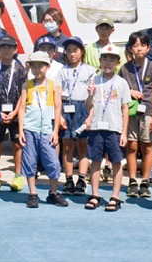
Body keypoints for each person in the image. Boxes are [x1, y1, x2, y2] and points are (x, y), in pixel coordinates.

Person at [82, 44, 130, 211]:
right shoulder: (94, 80)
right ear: (100, 61)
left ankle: (115, 197)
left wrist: (124, 132)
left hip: (114, 129)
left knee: (117, 162)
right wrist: (89, 94)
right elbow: (88, 106)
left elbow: (125, 109)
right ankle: (95, 194)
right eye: (105, 59)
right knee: (95, 162)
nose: (108, 63)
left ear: (117, 63)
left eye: (112, 60)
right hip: (96, 128)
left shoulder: (121, 82)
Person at [17, 51, 68, 208]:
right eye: (34, 66)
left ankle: (53, 192)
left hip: (47, 130)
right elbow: (21, 109)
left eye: (41, 66)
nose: (37, 69)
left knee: (53, 162)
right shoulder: (27, 85)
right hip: (29, 130)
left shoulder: (54, 86)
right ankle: (32, 193)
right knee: (30, 161)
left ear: (48, 67)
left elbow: (58, 108)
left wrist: (55, 131)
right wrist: (20, 130)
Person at [122, 32, 152, 198]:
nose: (138, 48)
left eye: (142, 45)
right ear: (130, 48)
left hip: (147, 111)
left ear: (147, 48)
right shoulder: (125, 68)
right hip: (130, 111)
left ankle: (145, 180)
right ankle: (132, 180)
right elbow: (119, 88)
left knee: (147, 146)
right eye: (135, 45)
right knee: (131, 146)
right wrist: (130, 91)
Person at [0, 35, 27, 192]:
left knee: (17, 144)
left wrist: (15, 112)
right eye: (2, 47)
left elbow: (23, 95)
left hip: (15, 114)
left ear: (15, 50)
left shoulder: (20, 70)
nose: (6, 50)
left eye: (9, 47)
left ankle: (17, 175)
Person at [58, 36, 95, 195]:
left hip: (83, 107)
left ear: (82, 52)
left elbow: (93, 99)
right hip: (67, 106)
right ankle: (68, 179)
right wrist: (59, 115)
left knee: (83, 145)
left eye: (75, 50)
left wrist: (90, 116)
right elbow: (57, 96)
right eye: (69, 51)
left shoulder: (90, 70)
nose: (72, 54)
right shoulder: (62, 71)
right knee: (67, 146)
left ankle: (81, 179)